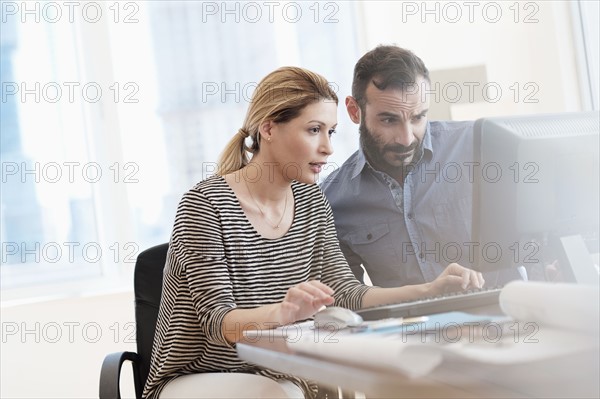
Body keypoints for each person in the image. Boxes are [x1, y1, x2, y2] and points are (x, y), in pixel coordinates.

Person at [143, 66, 484, 399]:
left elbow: (347, 293)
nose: (328, 147)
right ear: (269, 128)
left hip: (281, 374)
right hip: (199, 377)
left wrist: (430, 289)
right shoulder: (205, 205)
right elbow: (220, 325)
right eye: (313, 130)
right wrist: (282, 313)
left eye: (331, 132)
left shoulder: (311, 201)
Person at [321, 45, 521, 288]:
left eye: (417, 118)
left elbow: (540, 241)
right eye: (388, 120)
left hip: (504, 318)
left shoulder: (478, 148)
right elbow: (349, 298)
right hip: (409, 326)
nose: (406, 138)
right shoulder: (332, 200)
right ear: (355, 111)